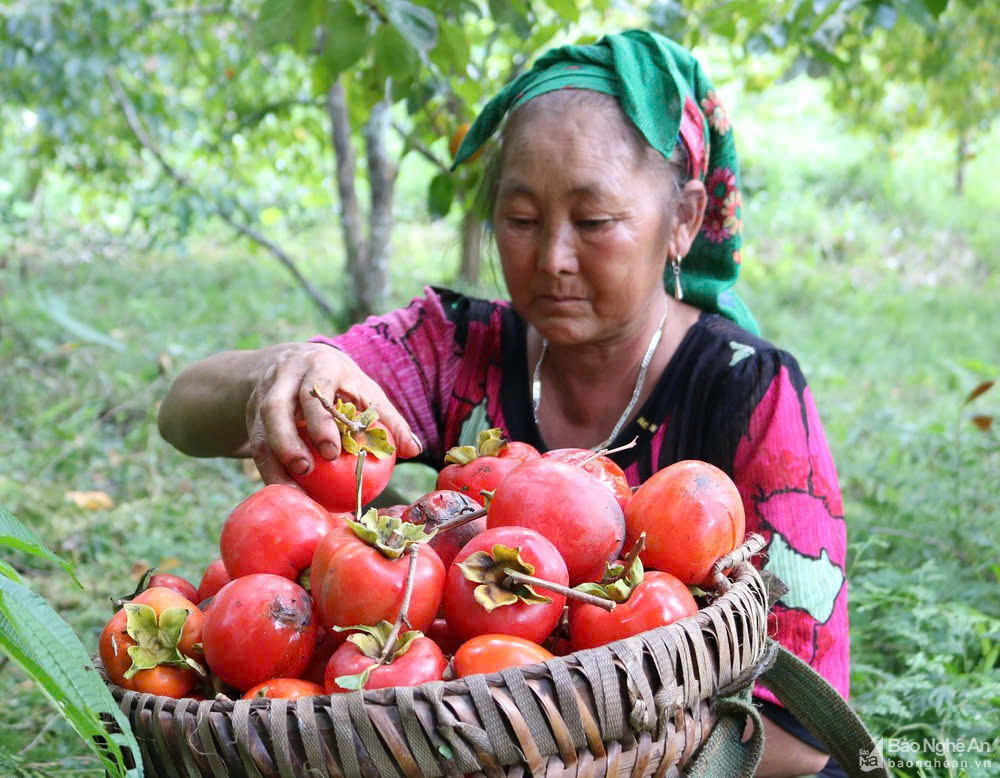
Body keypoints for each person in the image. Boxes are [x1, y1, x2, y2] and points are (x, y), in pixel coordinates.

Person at [158, 30, 848, 777]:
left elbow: (798, 732)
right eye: (520, 220)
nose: (552, 257)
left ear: (682, 218)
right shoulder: (454, 348)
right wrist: (282, 370)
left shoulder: (753, 394)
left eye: (594, 222)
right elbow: (183, 413)